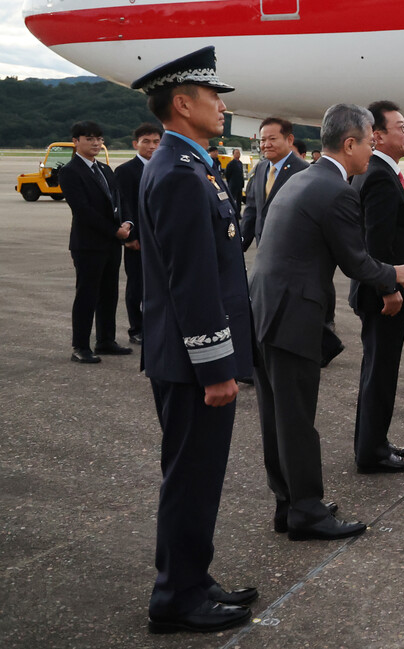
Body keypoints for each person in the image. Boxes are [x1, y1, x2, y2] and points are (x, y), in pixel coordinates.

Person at [130, 46, 258, 634]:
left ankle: (193, 578)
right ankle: (175, 598)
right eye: (214, 97)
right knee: (190, 477)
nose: (223, 106)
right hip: (191, 362)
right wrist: (215, 367)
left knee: (198, 477)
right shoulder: (181, 174)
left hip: (188, 357)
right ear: (182, 104)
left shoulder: (192, 165)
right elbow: (193, 282)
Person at [249, 104, 404, 541]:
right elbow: (356, 260)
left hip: (265, 310)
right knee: (297, 420)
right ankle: (306, 511)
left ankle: (288, 505)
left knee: (278, 416)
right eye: (368, 141)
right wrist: (396, 275)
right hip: (293, 316)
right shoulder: (337, 189)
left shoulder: (302, 177)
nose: (372, 148)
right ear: (350, 144)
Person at [348, 101, 404, 473]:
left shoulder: (378, 171)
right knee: (380, 372)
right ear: (376, 136)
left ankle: (372, 440)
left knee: (376, 369)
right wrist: (389, 289)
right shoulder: (377, 175)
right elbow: (374, 243)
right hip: (384, 295)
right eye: (401, 126)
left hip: (382, 290)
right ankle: (372, 452)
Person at [59, 120, 132, 364]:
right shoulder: (70, 171)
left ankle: (105, 340)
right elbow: (83, 210)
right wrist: (115, 231)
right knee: (87, 295)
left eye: (99, 139)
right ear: (76, 142)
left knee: (109, 294)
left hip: (111, 243)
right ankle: (80, 346)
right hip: (89, 244)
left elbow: (119, 200)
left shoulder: (105, 169)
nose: (96, 143)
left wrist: (128, 223)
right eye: (89, 138)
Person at [114, 122, 163, 346]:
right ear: (136, 144)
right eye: (146, 142)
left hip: (163, 239)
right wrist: (131, 237)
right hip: (139, 239)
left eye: (156, 142)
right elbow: (125, 206)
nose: (152, 146)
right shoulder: (125, 171)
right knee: (137, 286)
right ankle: (136, 328)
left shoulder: (166, 167)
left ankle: (158, 325)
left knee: (161, 285)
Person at [240, 117, 308, 250]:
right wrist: (239, 246)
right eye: (263, 140)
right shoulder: (260, 168)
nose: (266, 144)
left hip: (293, 253)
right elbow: (252, 210)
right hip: (263, 251)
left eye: (272, 139)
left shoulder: (304, 171)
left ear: (289, 140)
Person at [223, 147, 245, 218]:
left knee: (239, 200)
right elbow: (227, 174)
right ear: (233, 154)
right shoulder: (231, 164)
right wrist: (230, 182)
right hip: (233, 185)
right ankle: (232, 213)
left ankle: (238, 213)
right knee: (232, 199)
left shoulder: (240, 163)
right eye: (236, 153)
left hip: (239, 185)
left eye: (239, 153)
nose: (238, 154)